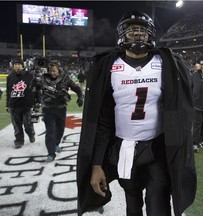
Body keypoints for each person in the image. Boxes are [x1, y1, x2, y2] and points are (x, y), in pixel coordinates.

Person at [77, 11, 196, 216]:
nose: (138, 35)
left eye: (142, 31)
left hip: (157, 147)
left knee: (158, 206)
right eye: (132, 31)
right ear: (123, 35)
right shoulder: (109, 66)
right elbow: (103, 122)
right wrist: (97, 163)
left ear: (150, 35)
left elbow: (182, 104)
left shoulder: (167, 63)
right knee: (132, 205)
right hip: (124, 149)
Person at [41, 60, 83, 162]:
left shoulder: (65, 78)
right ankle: (51, 153)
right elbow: (34, 88)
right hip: (48, 108)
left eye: (54, 71)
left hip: (61, 108)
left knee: (60, 129)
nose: (52, 73)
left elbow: (77, 88)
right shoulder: (43, 78)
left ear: (59, 70)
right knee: (50, 131)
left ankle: (56, 144)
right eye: (50, 71)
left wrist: (80, 97)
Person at [6, 58, 36, 148]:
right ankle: (19, 140)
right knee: (17, 126)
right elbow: (8, 92)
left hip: (26, 105)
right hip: (14, 106)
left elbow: (36, 88)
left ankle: (31, 134)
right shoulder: (9, 77)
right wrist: (7, 105)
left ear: (23, 65)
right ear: (13, 66)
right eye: (15, 64)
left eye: (19, 64)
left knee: (27, 124)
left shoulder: (30, 75)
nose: (17, 66)